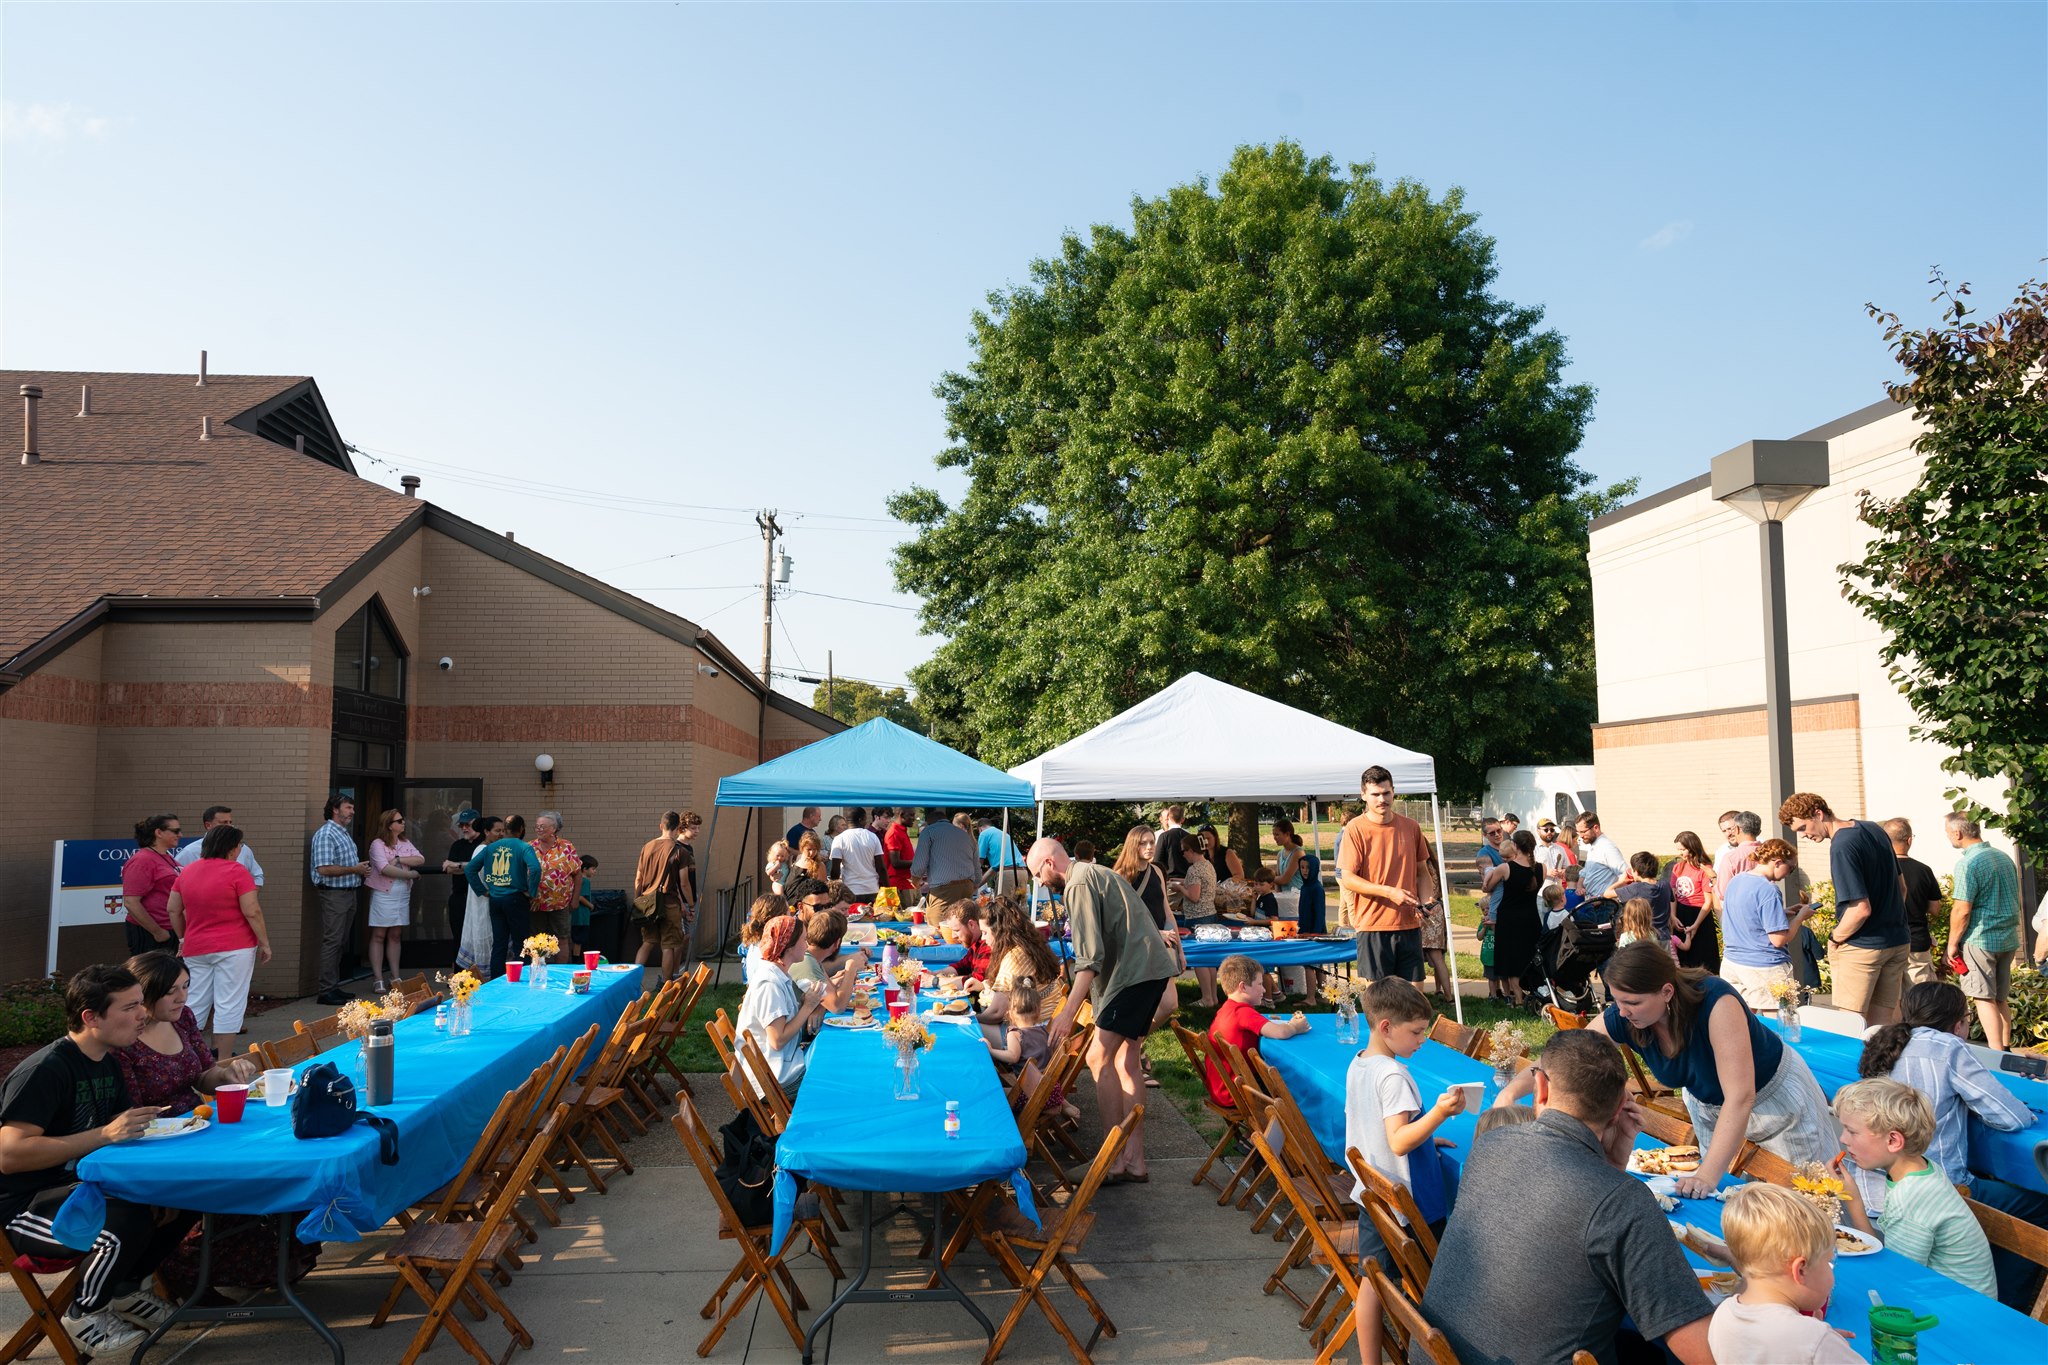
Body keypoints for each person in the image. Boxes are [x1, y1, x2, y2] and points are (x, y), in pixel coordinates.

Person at [1427, 1029, 1713, 1365]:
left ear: (1542, 1087)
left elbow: (1560, 1219)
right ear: (1621, 1106)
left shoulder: (1490, 1144)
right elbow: (1699, 1349)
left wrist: (1612, 1166)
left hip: (1439, 1352)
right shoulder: (1625, 1202)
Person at [0, 964, 194, 1357]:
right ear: (91, 1017)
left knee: (185, 1194)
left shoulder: (107, 1061)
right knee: (123, 1221)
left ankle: (125, 1289)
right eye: (129, 1007)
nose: (142, 1014)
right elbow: (10, 1154)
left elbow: (120, 1129)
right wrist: (103, 1135)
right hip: (21, 1207)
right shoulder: (46, 1069)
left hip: (78, 1188)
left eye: (141, 1004)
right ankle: (83, 1312)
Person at [1590, 942, 1838, 1195]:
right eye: (1616, 1001)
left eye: (1632, 1002)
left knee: (1804, 1200)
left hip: (1776, 1103)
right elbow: (1575, 1056)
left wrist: (1707, 1176)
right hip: (1713, 1107)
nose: (1621, 1012)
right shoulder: (1626, 1014)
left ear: (1666, 992)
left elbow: (1740, 1096)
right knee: (1724, 1201)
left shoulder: (1716, 1002)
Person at [1859, 980, 2047, 1304]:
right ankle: (2010, 1304)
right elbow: (2009, 1116)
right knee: (2041, 1206)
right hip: (1941, 1186)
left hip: (1878, 1182)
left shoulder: (1884, 1041)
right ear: (1958, 1022)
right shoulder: (1947, 1047)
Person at [1038, 837, 1176, 1183]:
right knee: (1125, 1057)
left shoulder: (1079, 882)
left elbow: (1089, 959)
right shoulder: (1095, 872)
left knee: (1097, 1057)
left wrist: (1068, 1012)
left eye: (1037, 874)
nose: (1039, 883)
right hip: (1150, 970)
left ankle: (1112, 1160)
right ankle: (1134, 1161)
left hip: (1134, 975)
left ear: (1050, 864)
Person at [1833, 1077, 1996, 1296]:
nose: (1843, 1139)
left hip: (1954, 1312)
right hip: (1942, 1296)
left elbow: (1895, 1280)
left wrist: (1852, 1201)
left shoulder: (1911, 1197)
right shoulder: (1920, 1170)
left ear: (1893, 1141)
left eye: (1852, 1131)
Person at [1344, 977, 1463, 1249]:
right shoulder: (1393, 1075)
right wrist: (1440, 1113)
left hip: (1374, 1191)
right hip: (1406, 1205)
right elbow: (1397, 1142)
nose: (1422, 1040)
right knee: (1426, 1278)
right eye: (1416, 1032)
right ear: (1386, 1027)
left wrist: (1423, 1139)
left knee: (1374, 1278)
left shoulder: (1360, 1061)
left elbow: (1378, 1127)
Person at [1781, 791, 1912, 1025]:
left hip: (1863, 946)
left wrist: (1835, 937)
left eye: (1803, 828)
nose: (1804, 836)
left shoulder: (1841, 845)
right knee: (1883, 1027)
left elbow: (1860, 909)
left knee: (1851, 1025)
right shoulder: (1873, 829)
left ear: (1818, 814)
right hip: (1897, 940)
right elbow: (1902, 888)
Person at [1708, 1183, 1862, 1364]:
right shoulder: (1815, 1340)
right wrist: (1824, 1344)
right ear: (1801, 1270)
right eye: (1827, 1262)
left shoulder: (1722, 1314)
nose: (1830, 1270)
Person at [165, 823, 273, 1057]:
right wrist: (264, 942)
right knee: (229, 1003)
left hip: (196, 946)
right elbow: (251, 910)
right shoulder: (237, 872)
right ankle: (221, 1061)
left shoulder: (188, 871)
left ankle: (187, 1058)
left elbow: (173, 909)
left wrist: (183, 938)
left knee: (193, 1002)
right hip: (236, 947)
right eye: (239, 845)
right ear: (232, 849)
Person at [1335, 766, 1437, 984]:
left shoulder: (1411, 827)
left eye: (1386, 793)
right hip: (1373, 925)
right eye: (1375, 794)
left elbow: (1422, 873)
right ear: (1363, 795)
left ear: (1394, 791)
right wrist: (1389, 892)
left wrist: (1427, 901)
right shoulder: (1355, 829)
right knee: (1380, 1002)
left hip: (1409, 925)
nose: (1382, 799)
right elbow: (1349, 878)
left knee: (1414, 998)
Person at [1945, 812, 2020, 1051]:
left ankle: (1996, 1054)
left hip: (1981, 938)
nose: (1948, 836)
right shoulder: (2003, 856)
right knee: (2000, 998)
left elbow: (1962, 910)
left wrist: (1952, 944)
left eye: (1948, 832)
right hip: (2007, 936)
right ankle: (2005, 1047)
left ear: (1958, 833)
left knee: (1983, 997)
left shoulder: (1968, 863)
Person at [1718, 839, 1816, 1008]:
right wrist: (1800, 917)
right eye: (1790, 868)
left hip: (1732, 963)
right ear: (1777, 862)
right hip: (1764, 966)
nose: (1789, 874)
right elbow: (1778, 940)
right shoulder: (1769, 889)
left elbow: (1746, 915)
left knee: (1744, 1022)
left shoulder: (1737, 880)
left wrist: (1781, 912)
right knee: (1780, 1026)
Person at [734, 915, 824, 1095]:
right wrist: (808, 1007)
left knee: (827, 1058)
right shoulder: (769, 984)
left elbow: (784, 1020)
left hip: (780, 1064)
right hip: (773, 1078)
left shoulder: (777, 972)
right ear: (789, 946)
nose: (807, 946)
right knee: (827, 1076)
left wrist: (806, 1002)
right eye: (804, 940)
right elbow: (777, 1040)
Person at [1204, 954, 1307, 1107]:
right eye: (1259, 984)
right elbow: (1281, 1033)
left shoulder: (1227, 1009)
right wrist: (1295, 1027)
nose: (1264, 989)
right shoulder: (1243, 1012)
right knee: (1295, 1088)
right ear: (1243, 987)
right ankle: (1288, 1128)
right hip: (1239, 1091)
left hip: (1221, 1086)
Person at [309, 796, 370, 1005]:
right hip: (334, 894)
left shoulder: (342, 834)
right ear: (335, 809)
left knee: (340, 941)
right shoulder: (326, 834)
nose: (352, 811)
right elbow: (324, 868)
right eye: (349, 807)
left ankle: (333, 986)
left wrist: (359, 869)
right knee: (333, 941)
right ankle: (326, 991)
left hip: (347, 892)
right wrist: (355, 869)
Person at [466, 816, 541, 978]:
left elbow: (470, 869)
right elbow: (535, 868)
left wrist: (482, 890)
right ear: (521, 829)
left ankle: (496, 982)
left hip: (495, 900)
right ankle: (524, 979)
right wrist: (532, 892)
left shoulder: (490, 847)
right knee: (521, 943)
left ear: (505, 830)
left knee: (499, 943)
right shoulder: (524, 847)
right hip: (516, 898)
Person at [978, 894, 1067, 1028]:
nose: (983, 939)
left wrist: (969, 1018)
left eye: (985, 932)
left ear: (999, 931)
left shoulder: (1014, 958)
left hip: (1035, 1032)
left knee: (973, 1034)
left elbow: (996, 1013)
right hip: (1048, 1021)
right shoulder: (1028, 945)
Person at [632, 811, 695, 984]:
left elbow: (638, 878)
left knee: (647, 943)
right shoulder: (680, 852)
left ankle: (632, 981)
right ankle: (666, 985)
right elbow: (684, 883)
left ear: (661, 826)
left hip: (647, 904)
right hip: (669, 904)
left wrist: (638, 901)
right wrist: (691, 904)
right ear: (678, 829)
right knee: (668, 945)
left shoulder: (647, 847)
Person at [364, 809, 423, 992]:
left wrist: (398, 859)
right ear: (389, 824)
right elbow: (384, 869)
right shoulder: (378, 844)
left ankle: (395, 976)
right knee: (379, 934)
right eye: (399, 821)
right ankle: (378, 978)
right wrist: (409, 873)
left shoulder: (404, 842)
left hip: (402, 894)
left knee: (396, 934)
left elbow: (420, 858)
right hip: (384, 893)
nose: (403, 823)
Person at [1481, 830, 1543, 1005]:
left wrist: (1487, 879)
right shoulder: (1541, 868)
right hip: (1531, 918)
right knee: (1528, 956)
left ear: (1515, 846)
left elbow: (1487, 889)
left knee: (1512, 960)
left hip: (1509, 920)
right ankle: (1532, 993)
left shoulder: (1505, 868)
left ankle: (1517, 997)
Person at [1885, 818, 1943, 986]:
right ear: (1909, 840)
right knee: (1920, 995)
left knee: (1890, 996)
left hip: (1887, 939)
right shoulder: (1923, 870)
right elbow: (1935, 909)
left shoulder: (1879, 869)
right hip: (1916, 939)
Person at [121, 814, 184, 957]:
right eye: (175, 831)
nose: (180, 834)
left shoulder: (166, 857)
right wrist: (157, 932)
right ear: (159, 833)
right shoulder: (142, 860)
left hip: (172, 930)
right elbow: (131, 902)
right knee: (152, 977)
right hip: (153, 935)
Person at [789, 908, 868, 1013]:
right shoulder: (806, 962)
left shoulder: (812, 957)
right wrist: (851, 969)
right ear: (837, 943)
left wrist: (820, 1008)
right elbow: (837, 1007)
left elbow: (827, 994)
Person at [1175, 836, 1222, 1006]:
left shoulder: (1194, 870)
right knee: (1209, 958)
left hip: (1197, 917)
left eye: (1183, 851)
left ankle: (1207, 998)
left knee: (1200, 959)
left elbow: (1194, 897)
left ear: (1190, 850)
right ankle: (1213, 997)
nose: (1183, 855)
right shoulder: (1208, 865)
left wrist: (1179, 888)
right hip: (1210, 914)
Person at [911, 807, 981, 921]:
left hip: (944, 891)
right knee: (964, 927)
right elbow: (977, 869)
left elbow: (919, 866)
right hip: (967, 887)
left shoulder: (928, 832)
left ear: (928, 818)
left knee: (938, 928)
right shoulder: (965, 835)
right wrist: (974, 885)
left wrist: (915, 882)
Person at [527, 811, 580, 962]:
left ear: (554, 829)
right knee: (537, 939)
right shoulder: (529, 847)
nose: (538, 829)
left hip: (560, 903)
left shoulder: (566, 846)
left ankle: (560, 973)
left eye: (542, 826)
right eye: (536, 826)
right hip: (535, 903)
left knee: (562, 938)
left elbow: (577, 873)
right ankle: (538, 972)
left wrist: (575, 899)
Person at [1667, 832, 1721, 971]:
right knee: (1683, 962)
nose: (1680, 853)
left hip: (1699, 916)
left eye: (1683, 849)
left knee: (1701, 961)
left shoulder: (1704, 868)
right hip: (1681, 914)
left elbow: (1707, 901)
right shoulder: (1677, 867)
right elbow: (1673, 895)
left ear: (1692, 847)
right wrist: (1673, 916)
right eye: (1678, 849)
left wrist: (1696, 925)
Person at [175, 805, 265, 885]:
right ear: (208, 825)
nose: (229, 826)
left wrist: (247, 897)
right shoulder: (190, 852)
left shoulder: (243, 849)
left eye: (230, 822)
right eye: (224, 822)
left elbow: (257, 877)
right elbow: (175, 880)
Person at [439, 809, 483, 948]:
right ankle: (459, 969)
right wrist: (469, 867)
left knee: (479, 937)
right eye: (461, 825)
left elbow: (483, 867)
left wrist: (459, 865)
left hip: (480, 898)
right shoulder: (457, 845)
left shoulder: (484, 845)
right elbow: (449, 869)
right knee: (459, 938)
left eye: (467, 825)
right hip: (460, 897)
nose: (464, 828)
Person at [1474, 819, 1507, 999]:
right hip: (1497, 902)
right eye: (1492, 833)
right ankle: (1495, 992)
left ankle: (1508, 989)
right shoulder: (1484, 853)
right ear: (1485, 836)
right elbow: (1488, 879)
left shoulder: (1508, 847)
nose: (1497, 835)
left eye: (1499, 830)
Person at [828, 805, 885, 900]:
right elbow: (881, 867)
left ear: (846, 821)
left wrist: (835, 890)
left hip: (850, 891)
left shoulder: (839, 839)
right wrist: (887, 888)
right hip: (872, 889)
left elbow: (835, 870)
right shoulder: (872, 837)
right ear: (861, 819)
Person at [1613, 851, 1672, 940]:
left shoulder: (1635, 888)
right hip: (1665, 937)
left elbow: (1607, 894)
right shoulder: (1665, 885)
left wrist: (1621, 881)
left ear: (1636, 872)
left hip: (1646, 939)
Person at [1573, 811, 1627, 897]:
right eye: (1578, 832)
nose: (1581, 836)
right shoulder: (1594, 846)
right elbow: (1585, 872)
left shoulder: (1608, 847)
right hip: (1593, 901)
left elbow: (1625, 876)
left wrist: (1602, 896)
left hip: (1605, 904)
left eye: (1583, 832)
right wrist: (1579, 886)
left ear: (1596, 828)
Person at [1153, 804, 1192, 917]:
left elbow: (1157, 862)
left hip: (1170, 884)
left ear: (1168, 818)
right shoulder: (1189, 836)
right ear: (1183, 819)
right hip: (1187, 883)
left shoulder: (1164, 837)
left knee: (1170, 916)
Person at [976, 815, 1028, 896]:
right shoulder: (1003, 835)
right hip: (1022, 874)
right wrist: (977, 886)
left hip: (1008, 875)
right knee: (1021, 905)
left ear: (980, 828)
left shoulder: (984, 834)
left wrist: (972, 880)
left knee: (1003, 905)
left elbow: (979, 861)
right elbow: (992, 870)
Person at [880, 808, 919, 905]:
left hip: (907, 883)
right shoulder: (894, 833)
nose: (914, 818)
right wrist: (919, 862)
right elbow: (895, 862)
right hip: (899, 885)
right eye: (911, 815)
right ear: (902, 815)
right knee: (905, 917)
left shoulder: (901, 831)